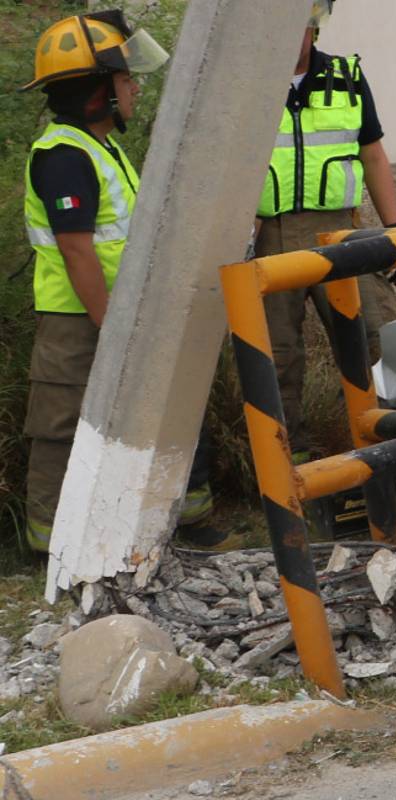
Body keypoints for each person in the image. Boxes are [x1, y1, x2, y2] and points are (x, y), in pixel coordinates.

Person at [19, 10, 176, 552]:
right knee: (60, 426)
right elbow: (77, 249)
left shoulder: (102, 148)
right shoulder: (64, 154)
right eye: (123, 77)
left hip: (107, 310)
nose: (133, 86)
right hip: (77, 317)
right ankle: (46, 539)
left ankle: (99, 527)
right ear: (96, 93)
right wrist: (108, 322)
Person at [255, 0, 396, 463]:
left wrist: (395, 230)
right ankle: (290, 460)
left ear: (312, 29)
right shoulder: (250, 86)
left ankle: (372, 446)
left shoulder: (346, 77)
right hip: (272, 235)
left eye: (296, 29)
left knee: (374, 338)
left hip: (339, 232)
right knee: (276, 354)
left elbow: (373, 155)